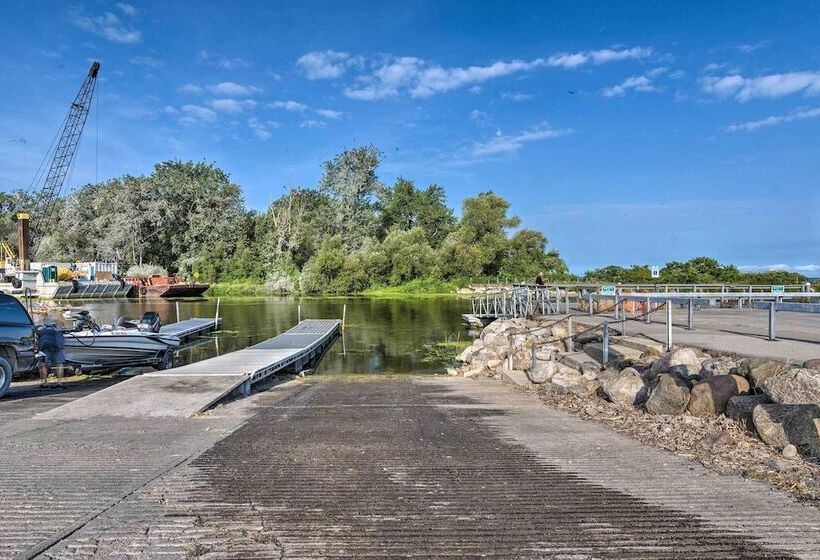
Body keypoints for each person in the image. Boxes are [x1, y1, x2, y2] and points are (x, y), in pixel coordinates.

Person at [37, 318, 65, 389]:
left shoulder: (41, 330)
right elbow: (63, 339)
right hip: (57, 346)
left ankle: (44, 383)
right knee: (59, 363)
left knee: (42, 364)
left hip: (45, 346)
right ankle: (59, 383)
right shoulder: (58, 330)